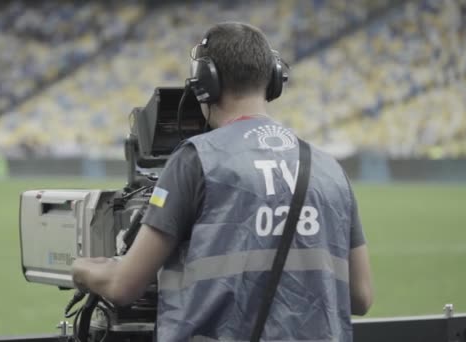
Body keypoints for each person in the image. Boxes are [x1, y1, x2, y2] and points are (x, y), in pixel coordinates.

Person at [73, 22, 373, 342]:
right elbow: (361, 296)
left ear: (205, 83)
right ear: (273, 79)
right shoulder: (329, 168)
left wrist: (82, 269)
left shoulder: (196, 159)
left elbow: (123, 286)